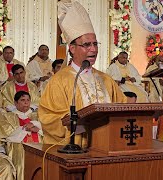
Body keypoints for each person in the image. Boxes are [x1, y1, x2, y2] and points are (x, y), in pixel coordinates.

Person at [39, 1, 126, 145]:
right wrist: (80, 126)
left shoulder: (106, 79)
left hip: (108, 147)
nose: (93, 49)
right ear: (72, 48)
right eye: (86, 44)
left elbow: (122, 108)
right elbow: (48, 118)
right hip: (77, 151)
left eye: (95, 44)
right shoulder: (59, 81)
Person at [0, 91, 42, 180]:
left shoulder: (37, 115)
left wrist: (37, 127)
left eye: (28, 100)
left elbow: (47, 128)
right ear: (15, 103)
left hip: (39, 147)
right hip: (19, 148)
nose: (26, 102)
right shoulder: (8, 116)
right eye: (22, 100)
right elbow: (8, 135)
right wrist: (26, 128)